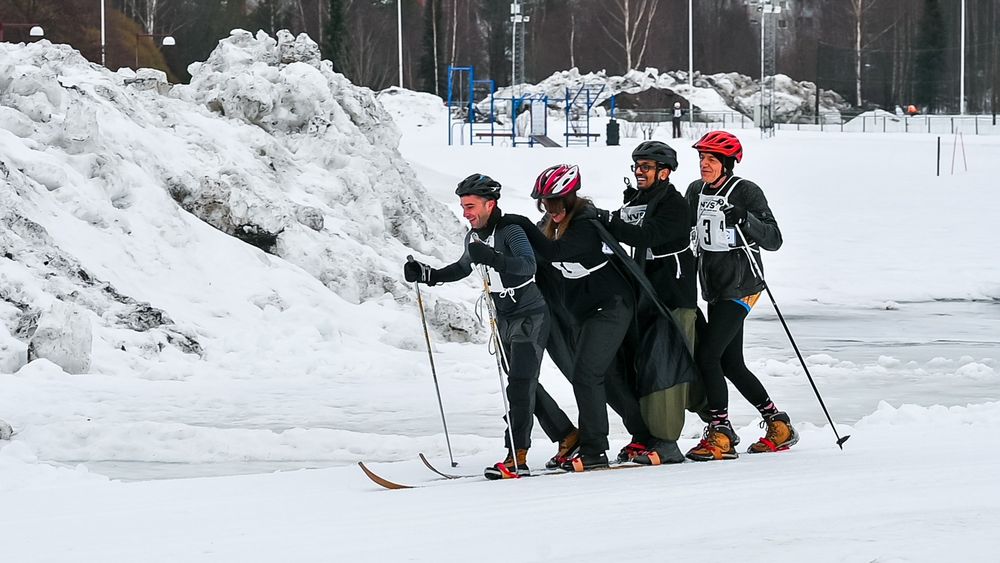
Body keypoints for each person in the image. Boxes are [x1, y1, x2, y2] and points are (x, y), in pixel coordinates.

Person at [403, 174, 577, 479]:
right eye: (463, 206)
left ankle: (516, 455)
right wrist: (427, 274)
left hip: (530, 314)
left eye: (470, 206)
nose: (465, 212)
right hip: (503, 318)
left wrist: (495, 258)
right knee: (523, 384)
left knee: (520, 386)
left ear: (490, 204)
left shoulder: (509, 230)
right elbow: (461, 267)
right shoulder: (474, 237)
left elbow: (527, 264)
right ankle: (567, 434)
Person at [508, 165, 652, 472]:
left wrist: (519, 223)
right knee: (607, 378)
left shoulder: (585, 223)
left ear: (573, 196)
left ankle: (594, 449)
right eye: (547, 202)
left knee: (586, 374)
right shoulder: (550, 221)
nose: (554, 208)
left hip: (612, 306)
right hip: (583, 311)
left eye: (559, 201)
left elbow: (553, 251)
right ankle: (644, 434)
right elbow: (534, 255)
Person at [683, 130, 798, 461]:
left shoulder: (745, 191)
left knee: (708, 356)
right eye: (702, 159)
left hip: (742, 286)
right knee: (731, 363)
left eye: (712, 159)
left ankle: (721, 431)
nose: (704, 164)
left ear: (727, 163)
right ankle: (778, 424)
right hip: (714, 287)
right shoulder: (696, 191)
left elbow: (774, 239)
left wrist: (745, 220)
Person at [593, 140, 701, 465]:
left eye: (646, 167)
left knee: (664, 366)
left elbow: (646, 236)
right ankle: (644, 435)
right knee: (639, 367)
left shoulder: (674, 204)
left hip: (672, 296)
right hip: (642, 295)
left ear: (664, 172)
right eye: (637, 166)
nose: (639, 172)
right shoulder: (637, 198)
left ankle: (667, 441)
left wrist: (606, 220)